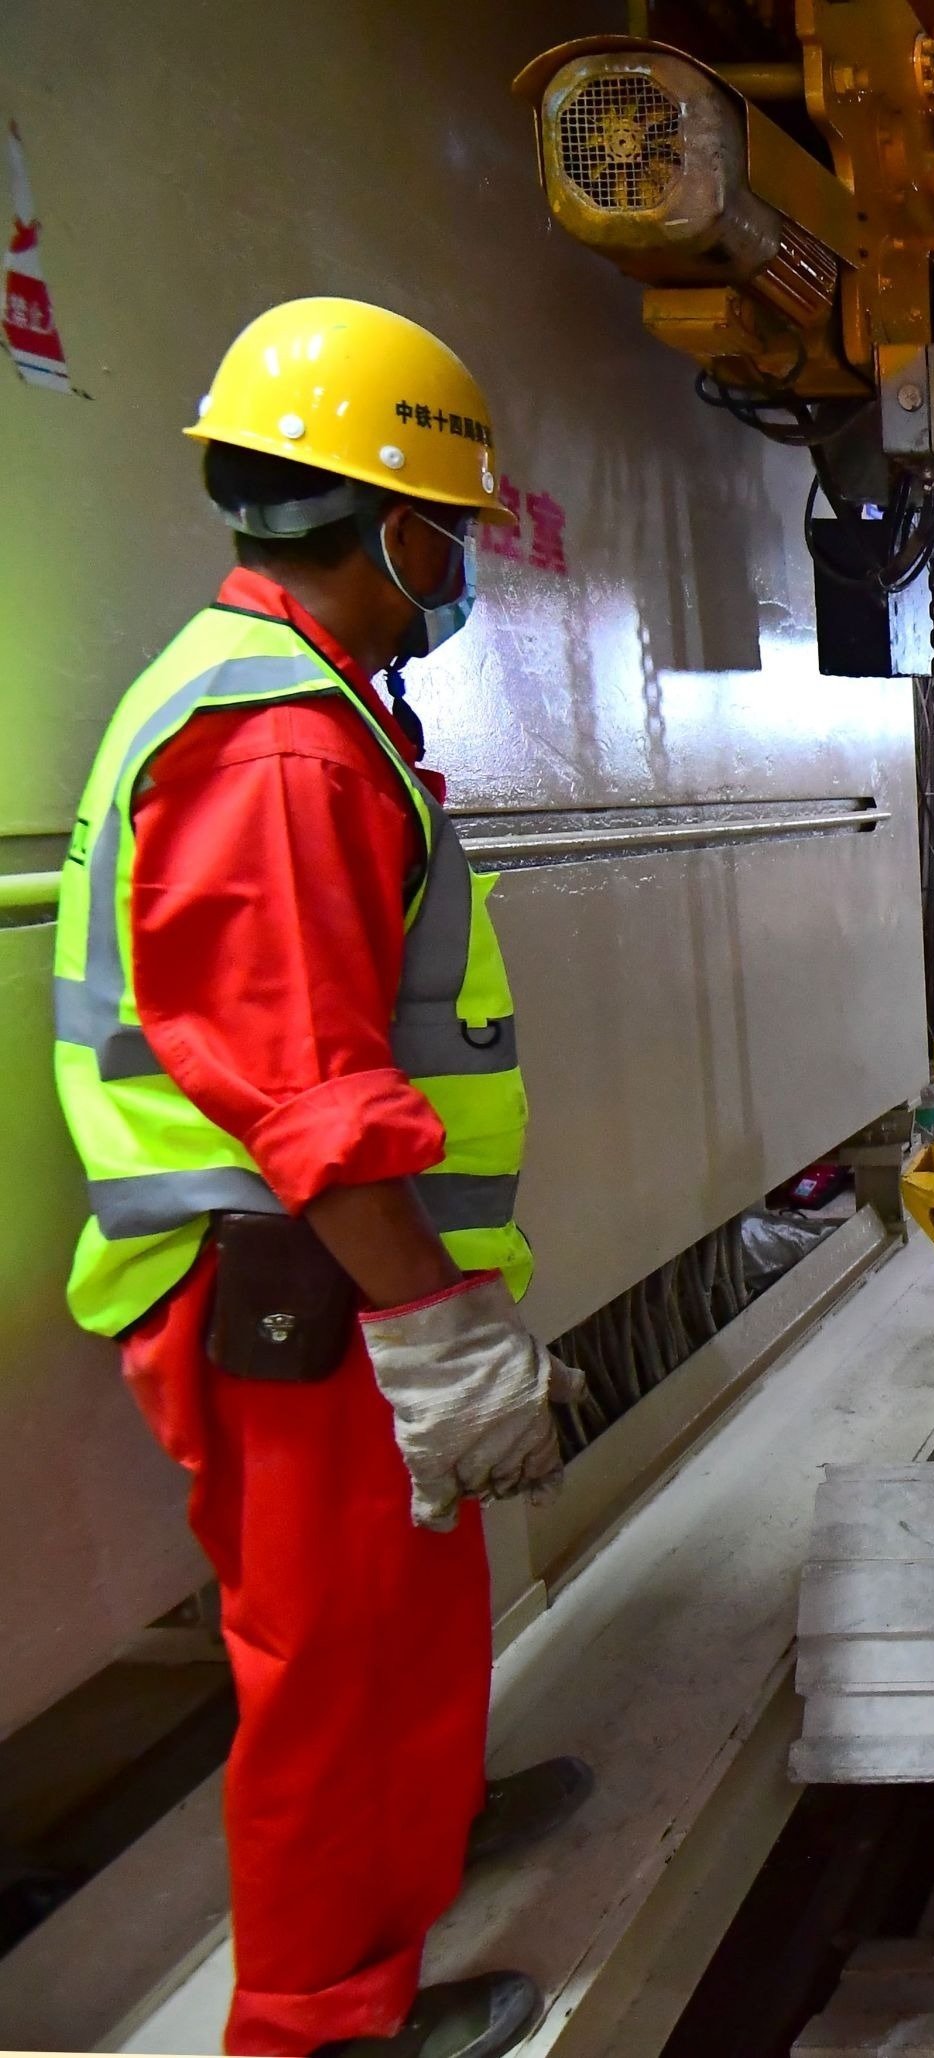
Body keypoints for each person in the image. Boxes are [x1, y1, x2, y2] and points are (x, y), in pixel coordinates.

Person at [52, 299, 596, 2058]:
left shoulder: (306, 703)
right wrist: (438, 1334)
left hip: (335, 1274)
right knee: (328, 1650)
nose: (461, 565)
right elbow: (310, 1086)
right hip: (295, 1285)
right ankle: (317, 2014)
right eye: (456, 526)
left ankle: (417, 1843)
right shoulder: (279, 741)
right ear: (393, 522)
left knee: (414, 1589)